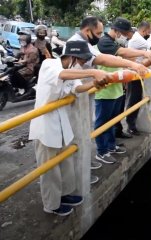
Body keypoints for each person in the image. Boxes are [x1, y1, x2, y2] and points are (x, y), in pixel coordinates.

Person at [64, 16, 149, 185]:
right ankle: (78, 172)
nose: (100, 35)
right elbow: (101, 60)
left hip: (78, 91)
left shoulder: (86, 43)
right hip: (68, 96)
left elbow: (98, 59)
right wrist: (133, 65)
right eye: (98, 32)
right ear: (87, 30)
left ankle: (83, 165)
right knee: (73, 135)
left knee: (81, 130)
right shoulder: (76, 43)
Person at [28, 40, 108, 216]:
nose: (81, 65)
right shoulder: (50, 65)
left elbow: (78, 88)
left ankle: (64, 194)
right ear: (72, 57)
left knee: (65, 162)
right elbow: (63, 75)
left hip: (61, 123)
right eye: (80, 61)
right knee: (50, 168)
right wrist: (94, 71)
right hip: (45, 125)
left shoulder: (73, 71)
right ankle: (51, 204)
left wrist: (96, 84)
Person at [95, 17, 151, 164]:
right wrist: (141, 57)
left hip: (116, 88)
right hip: (105, 91)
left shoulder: (113, 41)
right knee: (102, 122)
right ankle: (101, 151)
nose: (124, 35)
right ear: (116, 30)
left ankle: (111, 146)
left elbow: (122, 54)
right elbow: (122, 53)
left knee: (113, 120)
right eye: (123, 32)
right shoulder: (104, 42)